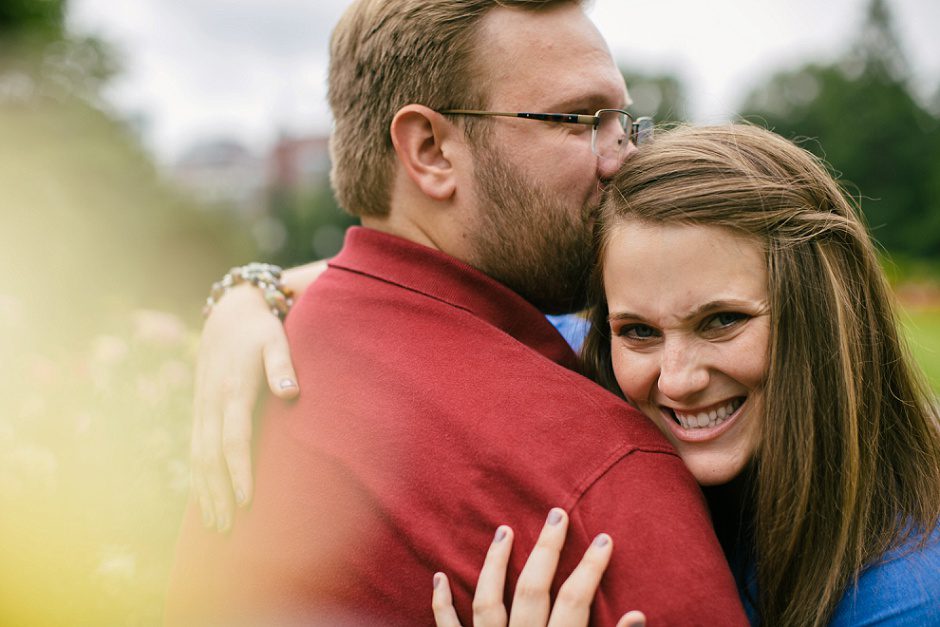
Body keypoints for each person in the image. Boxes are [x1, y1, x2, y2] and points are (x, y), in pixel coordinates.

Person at [165, 1, 748, 625]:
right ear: (431, 151)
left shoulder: (271, 370)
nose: (622, 157)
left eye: (622, 121)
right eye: (581, 120)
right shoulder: (601, 479)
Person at [430, 124, 940, 626]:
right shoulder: (574, 353)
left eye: (722, 321)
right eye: (639, 331)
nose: (676, 381)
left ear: (824, 314)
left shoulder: (906, 594)